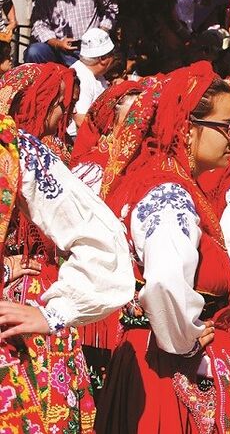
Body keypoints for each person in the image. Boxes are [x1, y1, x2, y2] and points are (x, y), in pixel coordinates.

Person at [94, 63, 230, 432]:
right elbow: (165, 283)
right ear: (188, 129)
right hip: (170, 368)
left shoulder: (163, 184)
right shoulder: (168, 194)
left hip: (157, 355)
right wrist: (185, 341)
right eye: (226, 127)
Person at [0, 63, 134, 433]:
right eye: (59, 104)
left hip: (35, 288)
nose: (62, 114)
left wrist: (55, 313)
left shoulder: (15, 148)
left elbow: (99, 238)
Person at [68, 28, 115, 137]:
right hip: (78, 138)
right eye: (112, 54)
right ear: (103, 59)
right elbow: (80, 119)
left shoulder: (96, 75)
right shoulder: (82, 78)